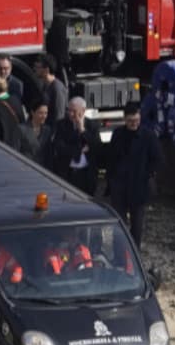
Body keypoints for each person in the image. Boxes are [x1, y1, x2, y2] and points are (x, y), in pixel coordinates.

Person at [104, 108, 159, 245]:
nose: (134, 124)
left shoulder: (148, 136)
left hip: (139, 185)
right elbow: (110, 157)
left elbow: (157, 159)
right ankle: (119, 254)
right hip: (120, 184)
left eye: (136, 120)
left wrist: (147, 173)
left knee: (137, 226)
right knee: (119, 224)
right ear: (125, 120)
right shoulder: (118, 134)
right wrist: (111, 179)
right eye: (130, 121)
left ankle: (135, 256)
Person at [46, 96, 102, 195]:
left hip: (86, 174)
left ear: (83, 110)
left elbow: (96, 147)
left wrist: (83, 130)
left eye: (74, 111)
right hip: (68, 173)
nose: (71, 114)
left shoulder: (93, 125)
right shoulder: (62, 125)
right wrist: (79, 150)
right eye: (69, 110)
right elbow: (59, 147)